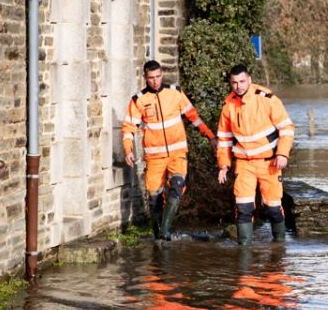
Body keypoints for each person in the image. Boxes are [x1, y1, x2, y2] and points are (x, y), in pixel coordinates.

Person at [121, 60, 217, 241]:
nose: (155, 81)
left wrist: (210, 136)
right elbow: (128, 128)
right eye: (151, 78)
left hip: (177, 153)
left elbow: (193, 117)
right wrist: (128, 150)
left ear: (162, 75)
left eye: (158, 77)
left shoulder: (175, 92)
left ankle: (165, 231)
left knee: (177, 186)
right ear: (145, 78)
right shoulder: (138, 100)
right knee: (154, 198)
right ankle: (159, 239)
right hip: (154, 157)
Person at [216, 65, 295, 245]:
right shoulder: (228, 105)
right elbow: (224, 139)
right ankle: (244, 252)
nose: (238, 86)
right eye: (234, 83)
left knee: (273, 207)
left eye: (242, 81)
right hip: (244, 165)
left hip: (269, 164)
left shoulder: (267, 99)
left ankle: (279, 249)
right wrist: (224, 165)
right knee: (243, 207)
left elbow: (287, 128)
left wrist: (282, 154)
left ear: (249, 80)